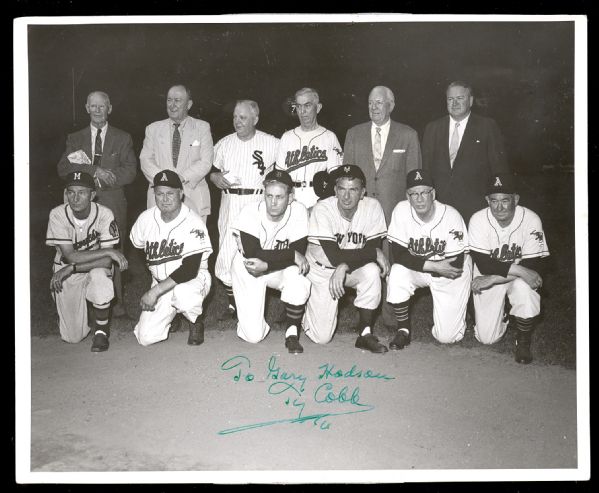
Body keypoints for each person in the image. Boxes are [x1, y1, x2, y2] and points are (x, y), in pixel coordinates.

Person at [343, 85, 422, 328]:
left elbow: (414, 178)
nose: (373, 107)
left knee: (390, 261)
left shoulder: (407, 134)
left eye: (379, 103)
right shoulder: (354, 133)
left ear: (391, 105)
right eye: (370, 103)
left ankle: (390, 317)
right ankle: (364, 316)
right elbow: (347, 176)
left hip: (392, 211)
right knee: (361, 258)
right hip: (362, 210)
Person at [57, 90, 137, 318]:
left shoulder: (123, 137)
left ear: (110, 108)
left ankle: (117, 304)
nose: (98, 110)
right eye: (93, 106)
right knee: (83, 250)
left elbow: (130, 171)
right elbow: (63, 168)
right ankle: (85, 303)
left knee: (114, 250)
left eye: (102, 106)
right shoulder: (75, 138)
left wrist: (102, 179)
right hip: (81, 206)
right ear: (86, 108)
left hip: (112, 202)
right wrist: (95, 171)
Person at [302, 165, 390, 353]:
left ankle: (365, 334)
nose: (347, 196)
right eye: (342, 189)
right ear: (335, 190)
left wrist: (345, 265)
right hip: (320, 270)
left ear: (363, 192)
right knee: (321, 338)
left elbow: (371, 248)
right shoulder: (322, 209)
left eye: (353, 190)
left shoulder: (373, 207)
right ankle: (305, 308)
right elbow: (335, 257)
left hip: (348, 267)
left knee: (371, 271)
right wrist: (371, 254)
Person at [468, 173, 550, 364]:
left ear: (516, 199)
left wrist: (496, 279)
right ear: (487, 200)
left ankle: (523, 340)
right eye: (494, 201)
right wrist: (520, 270)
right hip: (488, 275)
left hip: (497, 278)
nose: (499, 207)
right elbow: (485, 264)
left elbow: (532, 266)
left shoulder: (531, 219)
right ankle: (504, 313)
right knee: (487, 338)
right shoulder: (478, 219)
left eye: (505, 200)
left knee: (525, 289)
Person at [386, 169, 471, 350]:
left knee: (447, 337)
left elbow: (455, 264)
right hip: (428, 267)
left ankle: (458, 314)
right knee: (398, 273)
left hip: (451, 274)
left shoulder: (451, 216)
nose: (419, 198)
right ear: (407, 197)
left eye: (424, 192)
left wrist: (431, 266)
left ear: (433, 194)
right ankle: (403, 330)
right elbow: (399, 255)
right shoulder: (401, 210)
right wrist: (432, 265)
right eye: (414, 194)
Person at [210, 100, 279, 321]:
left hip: (257, 202)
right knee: (227, 252)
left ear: (255, 119)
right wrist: (214, 176)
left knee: (256, 252)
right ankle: (233, 305)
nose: (237, 121)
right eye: (235, 117)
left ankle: (256, 302)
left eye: (243, 118)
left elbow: (285, 170)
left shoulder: (271, 143)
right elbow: (208, 168)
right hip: (230, 202)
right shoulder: (224, 144)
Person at [230, 169, 311, 354]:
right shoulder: (250, 211)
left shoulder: (298, 211)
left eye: (280, 197)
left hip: (276, 268)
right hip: (248, 268)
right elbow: (253, 253)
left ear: (290, 197)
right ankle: (248, 315)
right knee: (253, 336)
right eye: (269, 196)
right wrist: (290, 254)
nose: (273, 202)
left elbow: (299, 255)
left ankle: (292, 333)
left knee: (298, 276)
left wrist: (275, 263)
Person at [46, 171, 128, 352]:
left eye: (81, 192)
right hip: (65, 269)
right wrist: (107, 251)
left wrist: (72, 268)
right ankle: (67, 307)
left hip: (88, 268)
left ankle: (101, 330)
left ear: (92, 195)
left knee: (100, 277)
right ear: (66, 194)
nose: (75, 198)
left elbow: (107, 262)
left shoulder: (105, 214)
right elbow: (71, 256)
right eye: (71, 192)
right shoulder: (58, 214)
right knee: (73, 337)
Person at [130, 170, 213, 347]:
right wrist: (154, 274)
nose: (165, 199)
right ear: (154, 195)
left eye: (170, 193)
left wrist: (154, 291)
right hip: (161, 283)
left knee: (184, 295)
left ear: (181, 194)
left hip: (193, 279)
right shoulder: (145, 219)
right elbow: (138, 248)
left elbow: (189, 269)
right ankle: (172, 315)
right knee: (145, 338)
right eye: (160, 194)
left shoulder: (193, 221)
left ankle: (194, 321)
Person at [422, 80, 510, 225]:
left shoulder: (487, 126)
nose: (454, 103)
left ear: (470, 101)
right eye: (450, 99)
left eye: (460, 98)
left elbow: (499, 169)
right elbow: (426, 170)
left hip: (475, 207)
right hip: (440, 208)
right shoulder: (432, 128)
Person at [140, 84, 214, 224]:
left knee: (193, 244)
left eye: (178, 100)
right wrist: (165, 180)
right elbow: (145, 159)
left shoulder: (202, 127)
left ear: (189, 104)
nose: (172, 105)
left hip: (193, 196)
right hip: (160, 200)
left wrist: (180, 178)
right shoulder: (153, 129)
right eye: (169, 100)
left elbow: (205, 162)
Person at [276, 87, 343, 208]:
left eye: (307, 106)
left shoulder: (329, 137)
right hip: (291, 199)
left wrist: (321, 203)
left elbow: (336, 177)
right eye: (299, 106)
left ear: (318, 108)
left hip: (318, 198)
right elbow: (280, 176)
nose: (302, 111)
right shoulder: (287, 137)